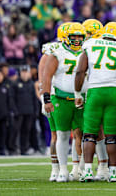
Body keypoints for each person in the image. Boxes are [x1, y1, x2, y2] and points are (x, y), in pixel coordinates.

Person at [75, 22, 116, 183]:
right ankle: (112, 172)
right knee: (111, 135)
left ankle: (87, 171)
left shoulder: (90, 44)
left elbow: (80, 71)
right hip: (114, 92)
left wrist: (78, 92)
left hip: (95, 91)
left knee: (89, 134)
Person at [41, 22, 86, 182]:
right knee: (61, 134)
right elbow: (46, 75)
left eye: (80, 37)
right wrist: (46, 98)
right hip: (61, 98)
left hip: (81, 99)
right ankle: (62, 170)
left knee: (82, 134)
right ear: (66, 37)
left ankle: (79, 168)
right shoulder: (57, 52)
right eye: (73, 36)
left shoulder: (87, 51)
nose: (77, 40)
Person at [37, 22, 71, 182]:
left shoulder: (70, 50)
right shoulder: (52, 50)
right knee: (56, 134)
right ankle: (55, 168)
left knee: (66, 134)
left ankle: (63, 169)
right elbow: (43, 76)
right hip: (54, 97)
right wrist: (45, 98)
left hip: (66, 96)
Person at [12, 66, 37, 155]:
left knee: (26, 131)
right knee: (15, 131)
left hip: (29, 111)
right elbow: (12, 98)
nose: (25, 74)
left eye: (26, 72)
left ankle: (24, 149)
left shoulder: (31, 84)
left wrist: (35, 111)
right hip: (19, 112)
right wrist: (15, 110)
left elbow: (34, 99)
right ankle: (13, 148)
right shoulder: (15, 84)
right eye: (23, 72)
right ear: (20, 73)